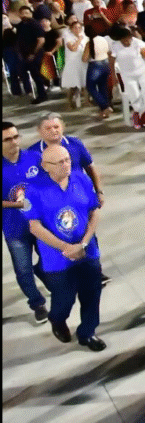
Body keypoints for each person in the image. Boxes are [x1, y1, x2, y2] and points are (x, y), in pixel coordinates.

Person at [25, 145, 105, 350]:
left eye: (68, 159)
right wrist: (66, 248)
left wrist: (84, 243)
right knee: (64, 298)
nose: (66, 165)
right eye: (60, 162)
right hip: (57, 258)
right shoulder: (33, 190)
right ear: (45, 166)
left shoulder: (81, 179)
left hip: (87, 251)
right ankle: (57, 319)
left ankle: (88, 332)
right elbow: (34, 227)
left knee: (92, 293)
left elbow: (94, 211)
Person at [2, 122, 49, 323]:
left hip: (40, 224)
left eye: (16, 137)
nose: (14, 142)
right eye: (7, 139)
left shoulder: (35, 158)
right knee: (22, 269)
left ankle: (45, 273)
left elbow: (49, 184)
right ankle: (37, 303)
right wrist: (16, 205)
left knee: (50, 259)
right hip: (14, 228)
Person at [108, 25, 145, 126]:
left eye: (128, 39)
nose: (126, 42)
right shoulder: (115, 45)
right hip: (127, 75)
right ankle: (139, 116)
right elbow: (112, 62)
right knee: (134, 96)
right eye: (124, 40)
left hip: (142, 73)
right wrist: (113, 77)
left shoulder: (138, 44)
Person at [82, 26, 113, 118]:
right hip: (106, 63)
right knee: (103, 87)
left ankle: (105, 106)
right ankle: (104, 111)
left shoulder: (89, 43)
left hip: (95, 65)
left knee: (90, 87)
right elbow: (109, 52)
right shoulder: (104, 40)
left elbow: (84, 58)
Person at [61, 17, 87, 108]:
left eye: (79, 28)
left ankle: (86, 101)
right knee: (71, 84)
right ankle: (69, 103)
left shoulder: (84, 36)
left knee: (84, 82)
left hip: (82, 61)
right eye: (75, 28)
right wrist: (79, 40)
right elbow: (72, 48)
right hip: (72, 62)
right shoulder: (68, 37)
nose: (77, 29)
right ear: (71, 29)